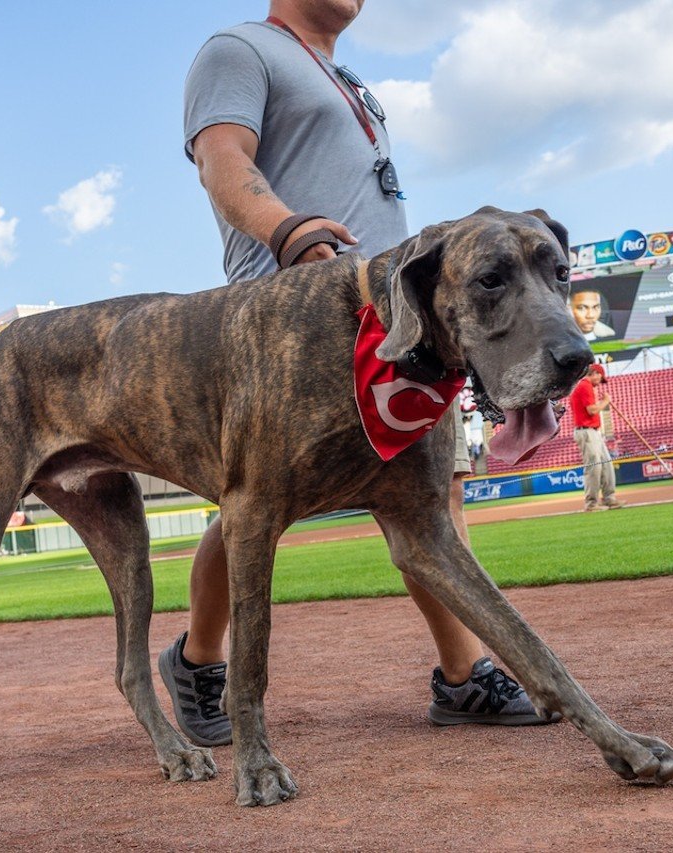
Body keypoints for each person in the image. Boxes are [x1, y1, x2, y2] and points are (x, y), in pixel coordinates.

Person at [163, 0, 548, 747]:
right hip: (293, 319)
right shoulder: (238, 49)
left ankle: (463, 675)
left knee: (431, 495)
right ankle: (199, 660)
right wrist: (286, 227)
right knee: (253, 509)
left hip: (396, 315)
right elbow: (221, 159)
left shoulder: (346, 78)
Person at [569, 364, 624, 512]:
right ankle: (591, 503)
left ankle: (609, 498)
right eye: (600, 377)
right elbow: (592, 410)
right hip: (586, 432)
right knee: (594, 467)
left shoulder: (585, 386)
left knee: (606, 465)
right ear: (595, 373)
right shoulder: (585, 385)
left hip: (593, 432)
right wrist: (606, 401)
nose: (600, 382)